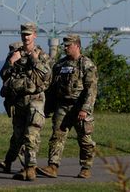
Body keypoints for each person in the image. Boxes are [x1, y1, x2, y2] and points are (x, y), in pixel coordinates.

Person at [37, 34, 98, 179]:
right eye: (64, 45)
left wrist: (85, 109)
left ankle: (86, 167)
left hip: (79, 107)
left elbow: (91, 90)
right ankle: (53, 166)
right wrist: (47, 108)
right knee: (57, 137)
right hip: (62, 106)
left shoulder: (87, 65)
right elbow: (52, 88)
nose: (64, 48)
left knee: (85, 139)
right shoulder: (60, 65)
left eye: (68, 45)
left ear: (77, 45)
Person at [0, 22, 52, 181]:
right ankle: (13, 163)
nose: (26, 37)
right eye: (23, 34)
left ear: (34, 35)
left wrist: (35, 60)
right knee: (18, 136)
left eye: (29, 34)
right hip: (19, 101)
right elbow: (3, 74)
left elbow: (47, 77)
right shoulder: (15, 54)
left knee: (31, 135)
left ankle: (30, 169)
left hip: (35, 100)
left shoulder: (41, 55)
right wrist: (12, 62)